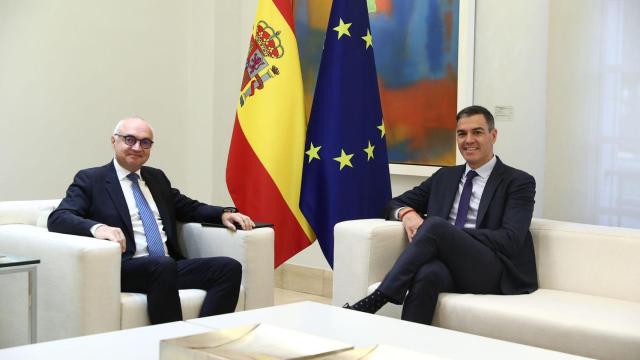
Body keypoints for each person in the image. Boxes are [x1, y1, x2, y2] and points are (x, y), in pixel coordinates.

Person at [48, 117, 255, 324]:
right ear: (114, 141)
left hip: (166, 266)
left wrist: (222, 214)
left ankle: (205, 340)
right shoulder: (92, 179)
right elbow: (59, 217)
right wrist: (98, 228)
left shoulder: (156, 178)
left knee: (228, 268)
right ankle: (173, 344)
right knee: (161, 265)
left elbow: (187, 207)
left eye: (145, 142)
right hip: (125, 267)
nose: (137, 147)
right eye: (130, 140)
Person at [345, 105, 538, 325]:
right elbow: (393, 204)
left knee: (435, 226)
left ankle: (377, 299)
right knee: (428, 274)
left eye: (477, 132)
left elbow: (510, 240)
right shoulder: (445, 177)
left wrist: (449, 236)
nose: (468, 140)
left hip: (493, 270)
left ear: (493, 135)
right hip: (449, 265)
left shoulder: (518, 182)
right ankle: (409, 347)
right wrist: (407, 213)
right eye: (461, 133)